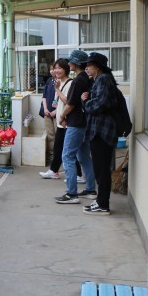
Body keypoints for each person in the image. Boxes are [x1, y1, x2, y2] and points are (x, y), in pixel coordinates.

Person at [56, 50, 96, 205]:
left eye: (70, 61)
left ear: (76, 63)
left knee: (67, 156)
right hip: (85, 123)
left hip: (76, 124)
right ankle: (90, 189)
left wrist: (62, 116)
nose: (68, 63)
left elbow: (70, 103)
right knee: (84, 157)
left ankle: (72, 194)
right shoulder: (87, 78)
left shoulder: (78, 80)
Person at [81, 52, 119, 215]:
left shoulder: (103, 79)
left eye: (89, 65)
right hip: (100, 131)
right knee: (100, 169)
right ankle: (100, 202)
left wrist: (85, 102)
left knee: (102, 170)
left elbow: (100, 104)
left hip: (102, 132)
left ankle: (103, 204)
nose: (86, 68)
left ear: (97, 67)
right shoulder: (101, 79)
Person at [40, 64, 57, 164]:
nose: (51, 71)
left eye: (53, 69)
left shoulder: (62, 82)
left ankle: (59, 155)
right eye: (50, 69)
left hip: (58, 113)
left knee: (58, 135)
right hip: (47, 112)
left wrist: (56, 111)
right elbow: (44, 96)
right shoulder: (49, 81)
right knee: (50, 135)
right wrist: (45, 109)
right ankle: (52, 155)